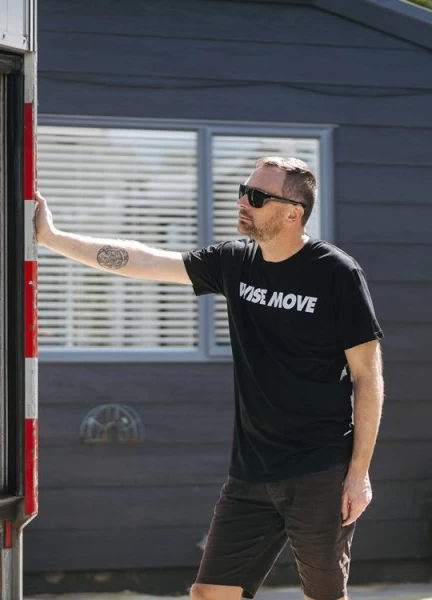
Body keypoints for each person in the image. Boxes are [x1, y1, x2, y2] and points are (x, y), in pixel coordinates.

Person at [35, 156, 385, 600]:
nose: (243, 201)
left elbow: (367, 377)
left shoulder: (336, 273)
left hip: (319, 470)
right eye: (243, 190)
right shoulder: (234, 262)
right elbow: (141, 260)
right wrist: (52, 237)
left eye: (257, 197)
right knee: (209, 593)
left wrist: (358, 474)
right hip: (252, 472)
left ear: (293, 213)